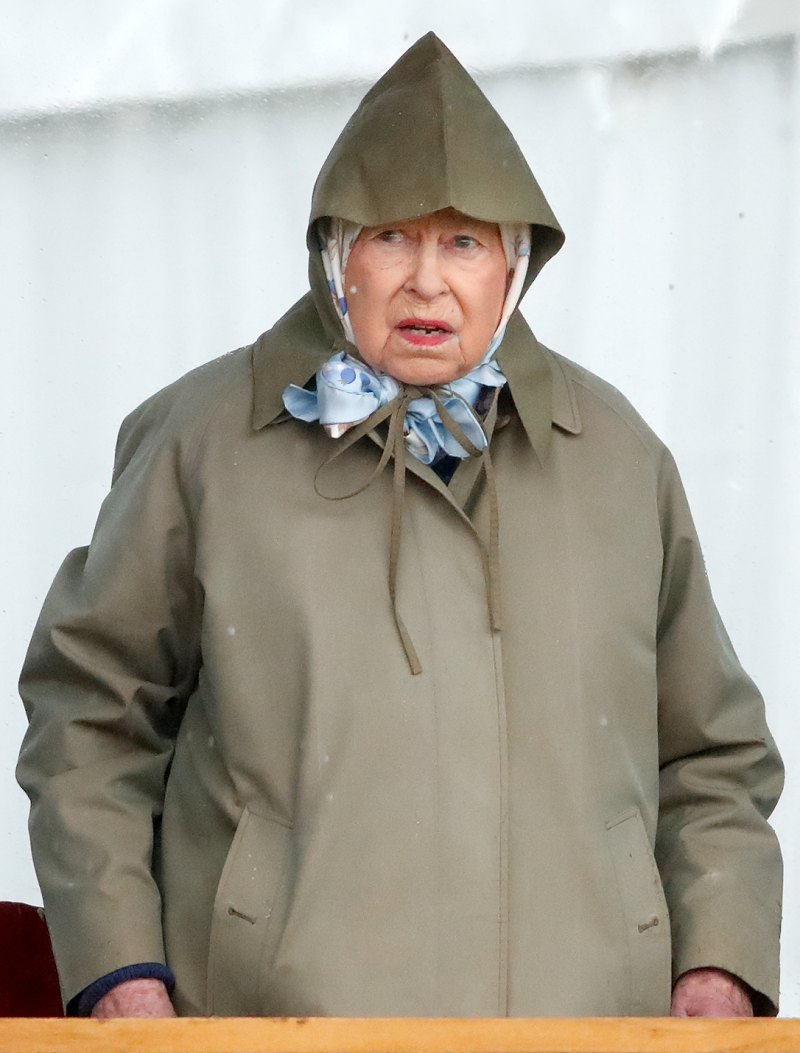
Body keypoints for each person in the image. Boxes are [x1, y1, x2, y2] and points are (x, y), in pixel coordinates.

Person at [17, 32, 782, 1020]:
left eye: (463, 241)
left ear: (512, 266)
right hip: (273, 1031)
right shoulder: (204, 445)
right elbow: (88, 718)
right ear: (336, 255)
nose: (427, 280)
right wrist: (119, 973)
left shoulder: (617, 461)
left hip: (583, 1032)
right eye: (392, 237)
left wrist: (716, 961)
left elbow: (710, 755)